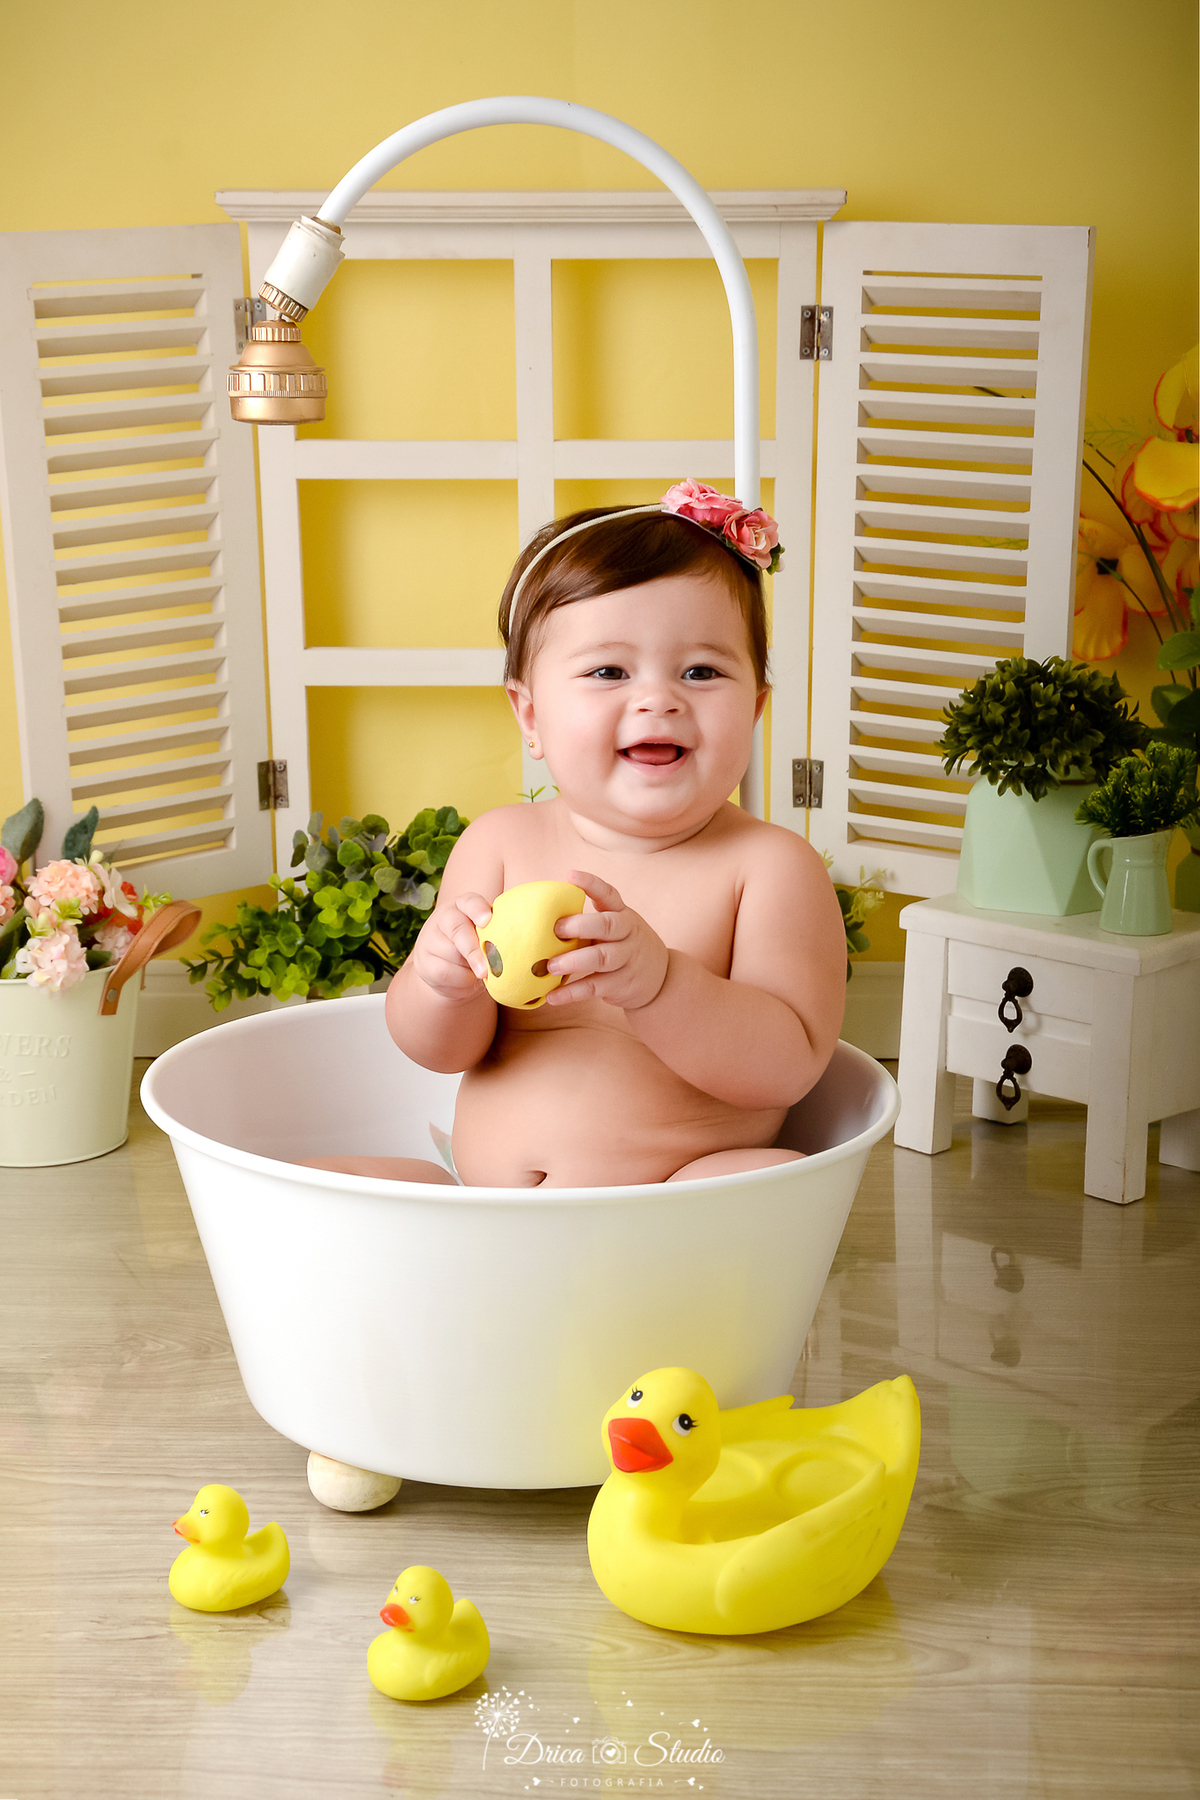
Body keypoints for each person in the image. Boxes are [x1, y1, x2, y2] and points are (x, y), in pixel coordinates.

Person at [304, 481, 846, 1189]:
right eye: (609, 671)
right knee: (308, 1182)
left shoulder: (768, 870)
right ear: (529, 716)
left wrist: (661, 985)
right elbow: (437, 1050)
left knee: (772, 1180)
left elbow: (789, 1066)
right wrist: (440, 985)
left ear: (754, 709)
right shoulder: (499, 845)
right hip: (477, 1199)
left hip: (667, 1204)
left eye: (702, 671)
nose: (658, 697)